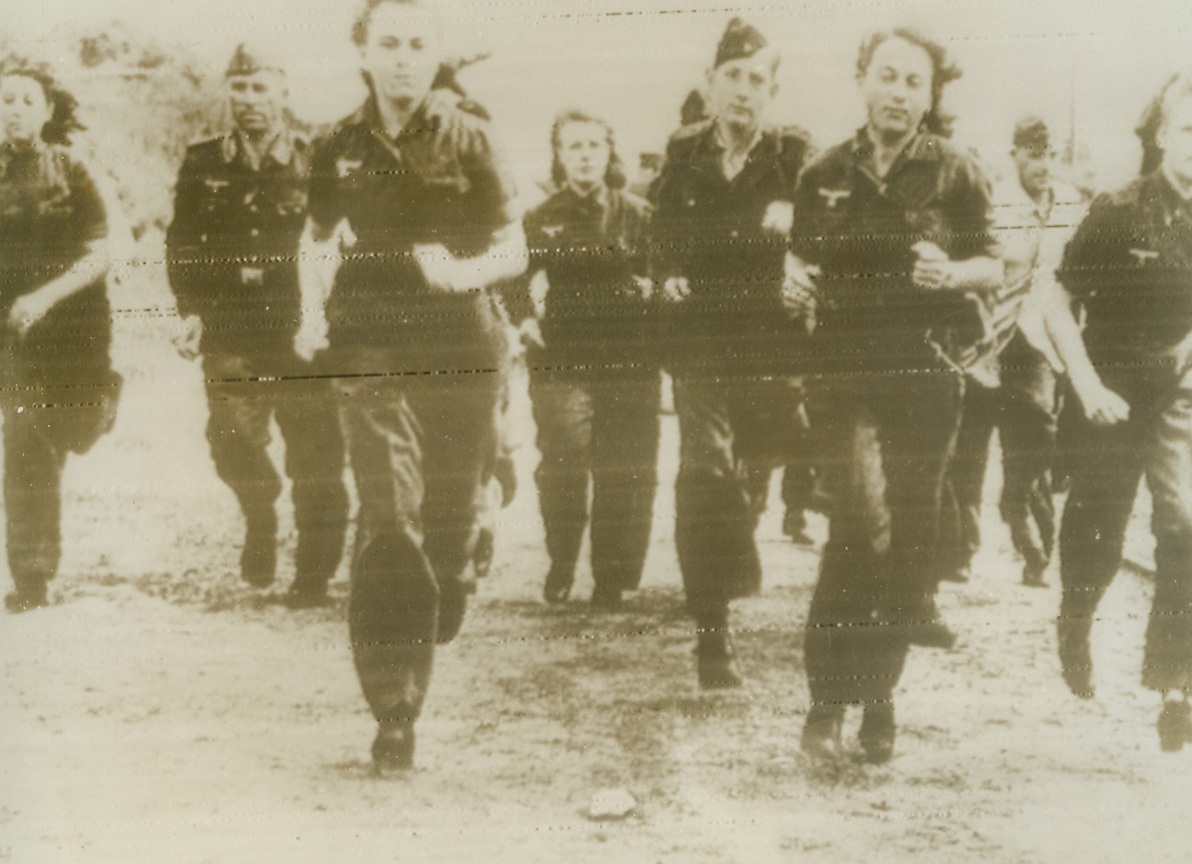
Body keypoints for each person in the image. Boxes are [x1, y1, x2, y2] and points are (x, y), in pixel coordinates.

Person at [300, 0, 526, 772]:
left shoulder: (472, 135)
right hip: (369, 341)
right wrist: (310, 312)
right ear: (363, 53)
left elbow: (513, 248)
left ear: (436, 54)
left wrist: (460, 273)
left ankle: (457, 566)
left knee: (447, 527)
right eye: (388, 43)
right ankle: (395, 706)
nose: (403, 58)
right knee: (389, 517)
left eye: (417, 44)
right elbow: (316, 239)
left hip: (462, 346)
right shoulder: (336, 144)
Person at [787, 27, 1002, 762]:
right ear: (862, 81)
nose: (899, 93)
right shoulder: (823, 172)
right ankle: (825, 704)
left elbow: (994, 263)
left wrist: (955, 272)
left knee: (909, 535)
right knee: (857, 518)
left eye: (914, 82)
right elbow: (799, 258)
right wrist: (792, 281)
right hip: (842, 370)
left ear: (930, 95)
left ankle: (879, 700)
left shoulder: (957, 172)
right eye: (887, 76)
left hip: (925, 372)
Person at [650, 17, 813, 689]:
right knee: (706, 468)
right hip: (699, 338)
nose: (743, 90)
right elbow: (660, 231)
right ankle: (711, 632)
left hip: (771, 342)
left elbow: (830, 226)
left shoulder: (794, 155)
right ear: (710, 83)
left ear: (772, 90)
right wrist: (667, 273)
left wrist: (800, 241)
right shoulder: (684, 150)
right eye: (732, 77)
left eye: (756, 79)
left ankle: (725, 570)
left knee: (750, 478)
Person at [165, 45, 349, 606]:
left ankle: (313, 575)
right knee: (229, 436)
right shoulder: (203, 160)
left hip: (301, 328)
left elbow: (337, 240)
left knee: (317, 454)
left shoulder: (316, 159)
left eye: (260, 88)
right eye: (239, 88)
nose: (248, 100)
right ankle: (260, 512)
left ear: (283, 94)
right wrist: (190, 309)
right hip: (230, 325)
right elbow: (182, 241)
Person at [1050, 72, 1192, 752]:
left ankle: (1175, 684)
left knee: (1185, 521)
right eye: (1190, 129)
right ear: (1164, 134)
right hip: (1110, 389)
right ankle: (1076, 616)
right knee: (1098, 529)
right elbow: (1056, 302)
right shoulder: (1120, 207)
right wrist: (1086, 386)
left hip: (1178, 391)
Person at [510, 109, 659, 609]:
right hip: (562, 355)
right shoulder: (542, 217)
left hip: (627, 355)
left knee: (623, 465)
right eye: (574, 146)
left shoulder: (638, 214)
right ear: (559, 155)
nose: (585, 155)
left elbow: (664, 272)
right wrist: (524, 320)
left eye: (594, 145)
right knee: (564, 456)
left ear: (609, 152)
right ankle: (562, 558)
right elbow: (513, 276)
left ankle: (611, 577)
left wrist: (652, 295)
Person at [939, 116, 1085, 588]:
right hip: (985, 341)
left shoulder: (1070, 204)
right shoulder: (992, 199)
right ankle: (960, 551)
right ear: (1016, 154)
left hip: (1037, 344)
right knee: (969, 452)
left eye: (1050, 154)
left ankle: (1035, 551)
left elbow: (1078, 272)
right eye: (1034, 154)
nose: (1044, 164)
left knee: (1034, 449)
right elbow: (966, 262)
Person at [0, 62, 122, 613]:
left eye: (26, 100)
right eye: (5, 100)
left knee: (69, 426)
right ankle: (32, 576)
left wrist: (45, 298)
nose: (14, 110)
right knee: (26, 436)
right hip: (13, 329)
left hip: (74, 325)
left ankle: (101, 401)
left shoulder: (72, 168)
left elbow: (100, 252)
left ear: (47, 111)